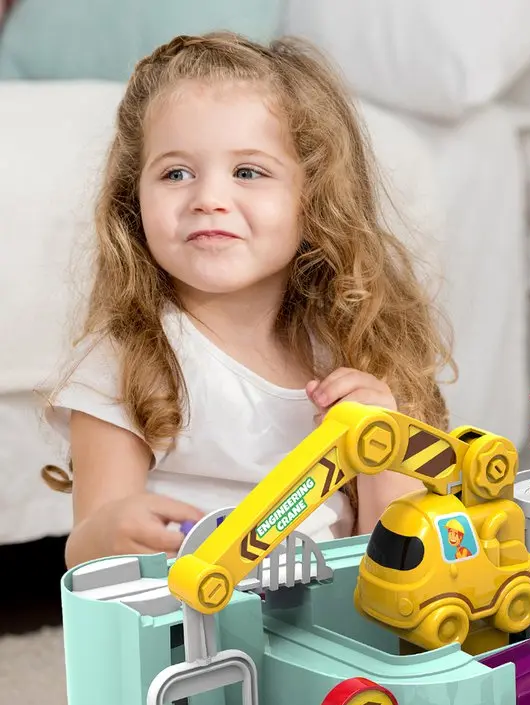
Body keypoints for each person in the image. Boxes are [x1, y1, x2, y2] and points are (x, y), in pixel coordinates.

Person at [41, 31, 454, 569]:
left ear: (313, 197)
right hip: (191, 616)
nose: (209, 199)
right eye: (176, 173)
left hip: (334, 616)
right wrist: (107, 534)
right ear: (132, 199)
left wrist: (385, 447)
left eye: (247, 172)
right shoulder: (125, 362)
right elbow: (89, 556)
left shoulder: (349, 349)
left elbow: (393, 557)